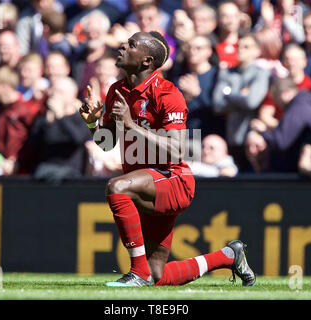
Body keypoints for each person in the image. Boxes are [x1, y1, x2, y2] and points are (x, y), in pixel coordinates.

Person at [79, 31, 255, 287]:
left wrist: (131, 125)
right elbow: (107, 144)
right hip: (146, 186)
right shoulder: (117, 89)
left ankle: (136, 273)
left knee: (116, 187)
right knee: (157, 276)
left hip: (173, 180)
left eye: (131, 45)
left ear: (147, 61)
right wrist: (94, 123)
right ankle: (228, 255)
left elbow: (177, 150)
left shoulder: (167, 93)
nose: (122, 46)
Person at [212, 33, 270, 171]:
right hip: (232, 137)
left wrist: (229, 93)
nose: (240, 50)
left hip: (252, 139)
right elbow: (217, 104)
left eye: (246, 47)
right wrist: (241, 95)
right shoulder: (227, 72)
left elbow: (252, 101)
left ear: (257, 51)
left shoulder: (261, 73)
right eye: (238, 46)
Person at [246, 76, 311, 173]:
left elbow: (281, 143)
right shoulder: (303, 104)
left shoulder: (297, 109)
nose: (276, 102)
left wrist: (263, 131)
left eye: (276, 96)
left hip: (295, 174)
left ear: (287, 92)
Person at [30, 76, 91, 183]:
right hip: (45, 170)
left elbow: (78, 138)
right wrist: (47, 121)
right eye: (53, 91)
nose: (55, 95)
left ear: (73, 94)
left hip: (70, 172)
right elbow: (34, 142)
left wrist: (61, 116)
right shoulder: (46, 116)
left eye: (60, 92)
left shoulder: (82, 116)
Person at [0, 66, 43, 175]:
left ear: (5, 86)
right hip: (1, 167)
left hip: (21, 170)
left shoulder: (25, 109)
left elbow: (33, 139)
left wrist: (17, 160)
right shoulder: (0, 111)